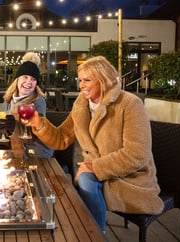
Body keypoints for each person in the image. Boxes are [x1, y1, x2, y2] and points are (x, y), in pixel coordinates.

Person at [23, 56, 164, 232]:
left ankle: (95, 234)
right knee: (76, 181)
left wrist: (94, 167)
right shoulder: (81, 105)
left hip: (129, 177)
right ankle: (87, 229)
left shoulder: (129, 104)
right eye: (80, 80)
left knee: (85, 179)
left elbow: (137, 154)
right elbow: (61, 139)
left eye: (87, 80)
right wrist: (39, 123)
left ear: (103, 80)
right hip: (97, 172)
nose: (81, 85)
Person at [0, 52, 53, 158]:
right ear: (17, 79)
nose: (29, 82)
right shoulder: (7, 101)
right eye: (25, 77)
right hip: (14, 148)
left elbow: (37, 131)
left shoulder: (38, 101)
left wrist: (14, 127)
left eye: (33, 79)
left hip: (35, 151)